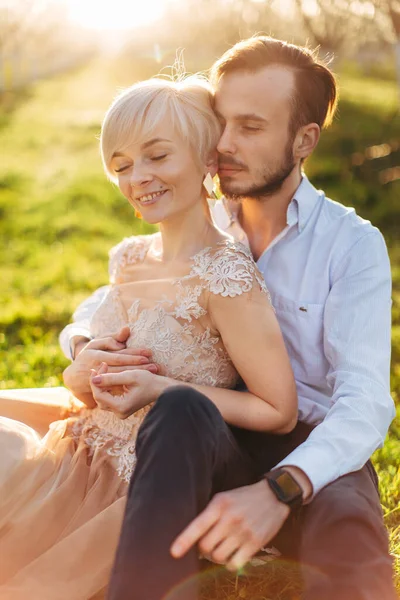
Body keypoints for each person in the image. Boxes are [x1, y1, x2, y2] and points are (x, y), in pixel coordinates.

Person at [61, 37, 397, 600]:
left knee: (348, 539)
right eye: (220, 122)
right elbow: (111, 295)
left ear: (303, 139)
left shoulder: (351, 244)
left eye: (251, 126)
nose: (224, 143)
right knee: (178, 407)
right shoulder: (200, 212)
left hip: (311, 441)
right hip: (208, 431)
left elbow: (363, 403)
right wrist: (81, 345)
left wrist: (280, 489)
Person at [0, 75, 298, 599]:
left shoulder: (225, 278)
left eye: (157, 156)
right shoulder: (130, 256)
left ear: (208, 159)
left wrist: (163, 391)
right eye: (122, 165)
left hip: (130, 481)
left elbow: (279, 410)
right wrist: (82, 367)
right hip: (76, 442)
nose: (138, 177)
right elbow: (98, 349)